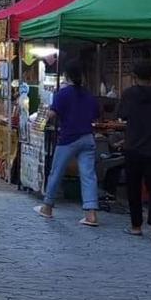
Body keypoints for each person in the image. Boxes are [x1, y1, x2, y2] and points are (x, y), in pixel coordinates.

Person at [34, 60, 99, 226]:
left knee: (56, 171)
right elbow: (96, 114)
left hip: (68, 138)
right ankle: (91, 214)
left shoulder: (62, 94)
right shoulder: (88, 94)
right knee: (88, 175)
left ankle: (47, 207)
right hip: (88, 137)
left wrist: (42, 114)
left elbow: (52, 114)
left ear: (66, 76)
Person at [118, 61, 151, 243]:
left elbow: (122, 116)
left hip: (134, 147)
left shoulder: (128, 94)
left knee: (134, 188)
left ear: (134, 76)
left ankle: (136, 226)